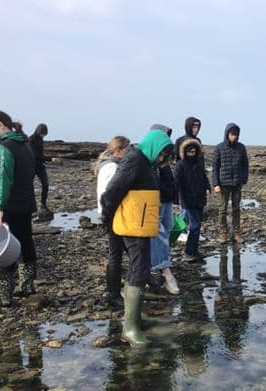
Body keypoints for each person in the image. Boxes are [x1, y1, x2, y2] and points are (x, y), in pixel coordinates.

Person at [101, 129, 173, 346]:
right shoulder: (135, 160)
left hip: (140, 225)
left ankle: (134, 319)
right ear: (154, 146)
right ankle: (130, 327)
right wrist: (108, 218)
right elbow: (111, 192)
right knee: (139, 269)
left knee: (139, 267)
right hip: (132, 225)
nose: (162, 158)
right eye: (161, 153)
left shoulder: (145, 162)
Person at [0, 110, 38, 306]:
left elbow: (2, 182)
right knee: (25, 241)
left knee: (3, 248)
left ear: (0, 124)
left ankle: (4, 295)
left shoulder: (2, 149)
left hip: (7, 207)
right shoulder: (25, 145)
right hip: (25, 203)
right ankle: (27, 285)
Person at [95, 135, 131, 308]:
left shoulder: (109, 165)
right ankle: (113, 294)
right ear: (118, 150)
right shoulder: (111, 167)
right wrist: (108, 216)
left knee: (126, 251)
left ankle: (144, 281)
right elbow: (110, 195)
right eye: (127, 149)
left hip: (111, 215)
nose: (129, 153)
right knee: (116, 255)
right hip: (112, 216)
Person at [149, 124, 179, 295]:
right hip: (156, 201)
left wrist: (175, 201)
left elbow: (171, 181)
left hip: (167, 200)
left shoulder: (164, 160)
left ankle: (158, 262)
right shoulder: (151, 159)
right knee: (157, 234)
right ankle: (165, 271)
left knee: (166, 231)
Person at [174, 139, 211, 262]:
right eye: (189, 150)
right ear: (184, 151)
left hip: (200, 198)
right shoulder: (180, 165)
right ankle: (189, 252)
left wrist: (207, 187)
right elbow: (176, 183)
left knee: (197, 225)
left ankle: (194, 250)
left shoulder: (199, 163)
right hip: (188, 200)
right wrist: (176, 201)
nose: (192, 152)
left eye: (194, 150)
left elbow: (204, 177)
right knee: (194, 226)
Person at [212, 123, 249, 244]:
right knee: (222, 209)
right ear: (227, 134)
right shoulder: (219, 148)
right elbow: (215, 167)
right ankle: (223, 234)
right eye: (232, 134)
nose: (234, 136)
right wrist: (216, 184)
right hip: (223, 184)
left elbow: (245, 165)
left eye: (236, 134)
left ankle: (236, 233)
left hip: (237, 183)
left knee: (236, 209)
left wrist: (243, 179)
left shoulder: (241, 147)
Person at [29, 123, 59, 213]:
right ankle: (30, 204)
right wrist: (50, 159)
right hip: (32, 166)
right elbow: (35, 156)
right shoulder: (31, 140)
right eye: (42, 133)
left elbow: (40, 155)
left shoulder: (41, 140)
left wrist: (47, 160)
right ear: (38, 131)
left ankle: (43, 204)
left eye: (44, 134)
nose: (43, 135)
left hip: (40, 166)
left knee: (45, 184)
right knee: (29, 186)